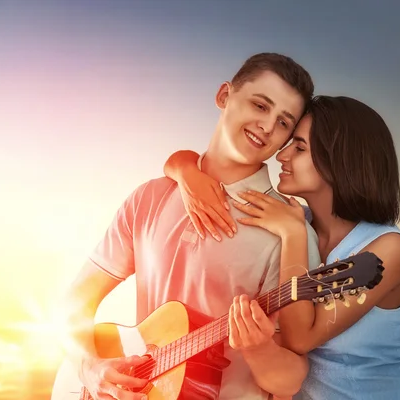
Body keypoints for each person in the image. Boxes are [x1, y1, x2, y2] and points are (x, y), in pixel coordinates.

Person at [59, 53, 323, 400]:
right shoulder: (150, 197)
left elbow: (294, 379)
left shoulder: (288, 231)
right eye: (260, 106)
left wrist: (260, 350)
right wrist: (89, 367)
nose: (268, 127)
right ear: (224, 96)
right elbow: (76, 301)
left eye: (284, 123)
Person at [163, 95, 400, 399]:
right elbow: (197, 167)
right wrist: (185, 171)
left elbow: (300, 338)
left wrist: (293, 235)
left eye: (300, 147)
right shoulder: (292, 220)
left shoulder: (388, 248)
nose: (281, 155)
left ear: (340, 160)